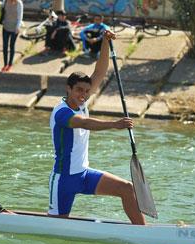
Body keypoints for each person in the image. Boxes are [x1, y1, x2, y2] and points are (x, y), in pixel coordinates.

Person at [48, 30, 145, 225]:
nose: (83, 95)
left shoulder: (82, 102)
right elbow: (84, 123)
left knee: (126, 188)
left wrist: (105, 42)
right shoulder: (61, 112)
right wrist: (114, 124)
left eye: (86, 91)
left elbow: (100, 72)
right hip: (64, 180)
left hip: (83, 174)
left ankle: (144, 232)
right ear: (68, 88)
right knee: (56, 225)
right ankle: (6, 215)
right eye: (78, 90)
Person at [1, 0, 23, 72]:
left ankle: (10, 64)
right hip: (6, 26)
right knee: (5, 46)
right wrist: (3, 22)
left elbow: (20, 17)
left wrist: (18, 27)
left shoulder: (19, 3)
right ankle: (5, 64)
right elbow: (2, 12)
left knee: (12, 45)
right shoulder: (5, 2)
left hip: (15, 28)